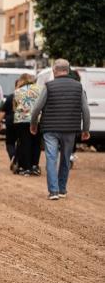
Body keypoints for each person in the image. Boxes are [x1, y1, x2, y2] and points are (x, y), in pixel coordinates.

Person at [29, 59, 90, 200]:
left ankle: (53, 191)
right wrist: (85, 129)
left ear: (54, 70)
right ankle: (62, 189)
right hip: (70, 129)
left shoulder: (49, 86)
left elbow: (37, 108)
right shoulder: (78, 87)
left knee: (51, 158)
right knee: (65, 159)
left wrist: (33, 124)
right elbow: (85, 110)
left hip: (50, 128)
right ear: (67, 70)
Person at [6, 74, 41, 175]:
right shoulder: (40, 89)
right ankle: (35, 166)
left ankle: (26, 167)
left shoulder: (17, 92)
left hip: (22, 121)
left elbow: (14, 107)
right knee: (36, 143)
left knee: (24, 143)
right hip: (37, 120)